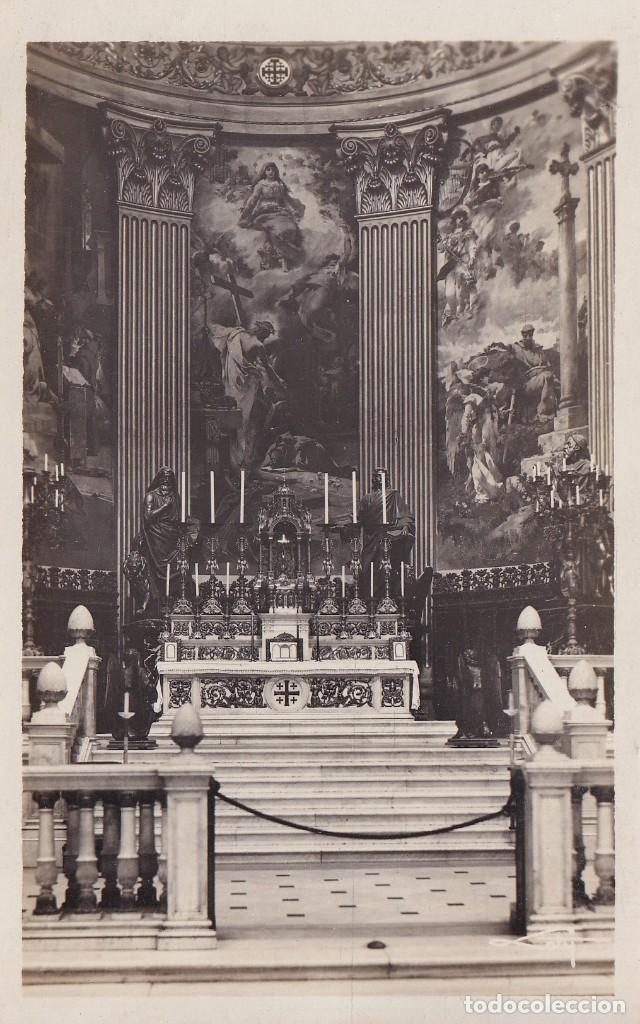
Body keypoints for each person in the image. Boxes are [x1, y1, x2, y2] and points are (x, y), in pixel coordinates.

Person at [207, 319, 286, 467]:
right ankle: (240, 459)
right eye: (267, 333)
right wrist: (279, 381)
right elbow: (268, 368)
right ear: (263, 332)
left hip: (233, 380)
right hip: (246, 384)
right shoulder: (259, 345)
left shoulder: (238, 334)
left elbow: (221, 335)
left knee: (237, 417)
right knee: (244, 420)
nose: (267, 337)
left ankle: (238, 458)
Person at [354, 468, 415, 589]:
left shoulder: (393, 495)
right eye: (376, 476)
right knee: (366, 568)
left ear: (386, 479)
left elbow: (405, 515)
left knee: (389, 569)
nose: (379, 479)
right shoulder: (367, 499)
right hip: (371, 540)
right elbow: (357, 518)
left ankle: (390, 596)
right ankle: (371, 599)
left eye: (381, 477)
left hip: (389, 538)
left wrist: (405, 525)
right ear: (373, 479)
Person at [239, 162, 305, 269]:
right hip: (263, 213)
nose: (271, 172)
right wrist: (245, 214)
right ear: (264, 171)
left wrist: (296, 209)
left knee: (290, 228)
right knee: (276, 231)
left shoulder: (280, 185)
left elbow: (287, 199)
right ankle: (278, 259)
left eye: (273, 169)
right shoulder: (261, 185)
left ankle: (280, 257)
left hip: (279, 213)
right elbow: (253, 200)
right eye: (268, 169)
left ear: (276, 171)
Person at [137, 467, 181, 604]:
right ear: (159, 478)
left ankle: (175, 598)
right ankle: (156, 599)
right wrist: (164, 507)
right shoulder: (151, 495)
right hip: (157, 535)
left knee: (177, 566)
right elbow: (147, 516)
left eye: (169, 478)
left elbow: (179, 517)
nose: (166, 481)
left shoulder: (175, 496)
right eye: (164, 477)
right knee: (159, 567)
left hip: (172, 535)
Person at [437, 208, 478, 326]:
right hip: (450, 266)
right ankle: (450, 314)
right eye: (458, 217)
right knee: (449, 292)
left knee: (463, 291)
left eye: (462, 217)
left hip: (463, 263)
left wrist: (471, 259)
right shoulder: (449, 237)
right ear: (455, 220)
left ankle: (465, 312)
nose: (460, 219)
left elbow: (472, 246)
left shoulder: (468, 233)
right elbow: (440, 249)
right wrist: (441, 244)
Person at [510, 323, 558, 422]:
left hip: (540, 377)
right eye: (525, 335)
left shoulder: (538, 350)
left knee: (554, 379)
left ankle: (557, 410)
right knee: (547, 377)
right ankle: (544, 414)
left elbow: (547, 365)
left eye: (530, 335)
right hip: (525, 384)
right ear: (522, 335)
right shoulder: (516, 349)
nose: (528, 337)